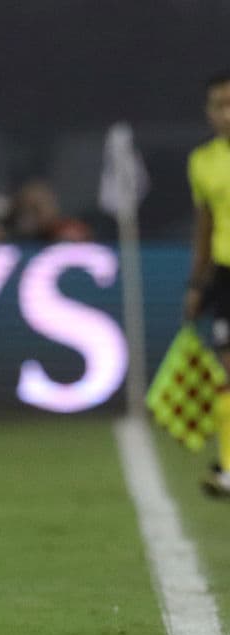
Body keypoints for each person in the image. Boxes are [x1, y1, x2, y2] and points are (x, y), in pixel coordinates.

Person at [185, 70, 230, 497]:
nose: (227, 113)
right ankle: (229, 466)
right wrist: (197, 284)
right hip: (226, 275)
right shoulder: (203, 161)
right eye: (219, 105)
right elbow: (205, 225)